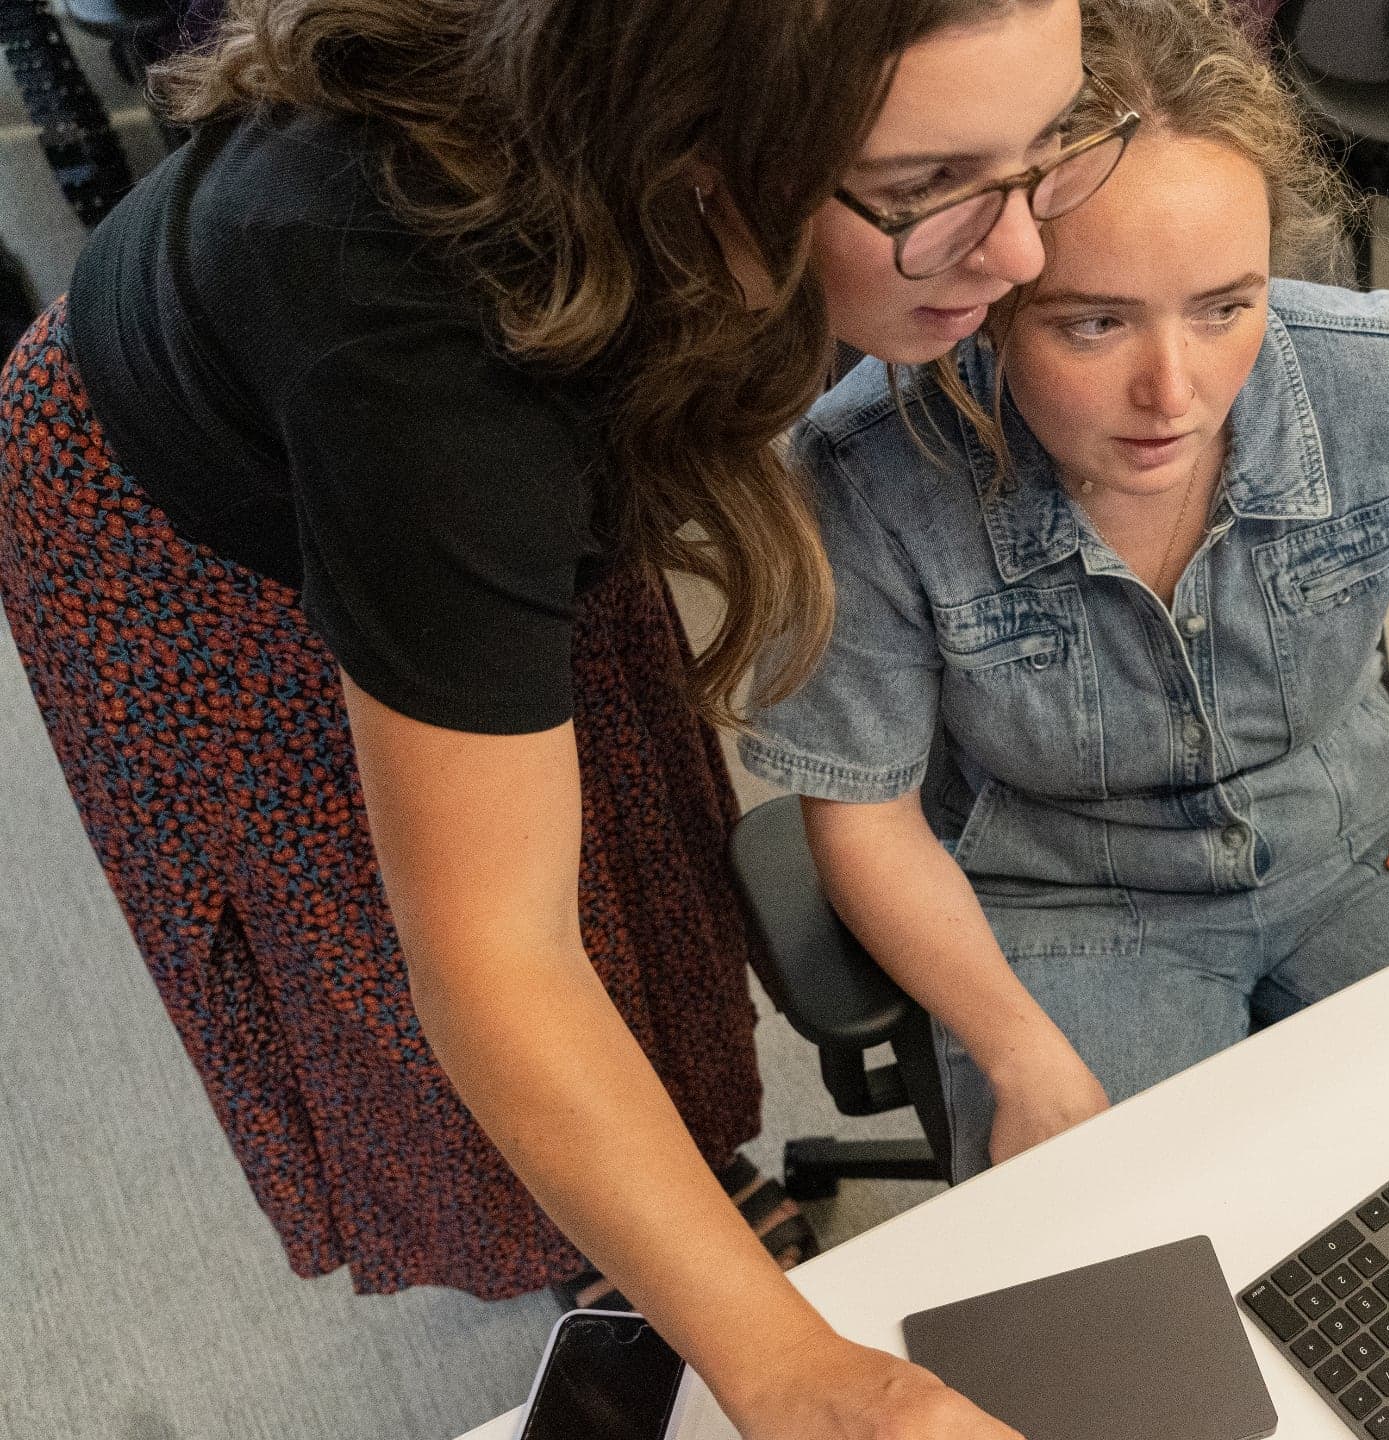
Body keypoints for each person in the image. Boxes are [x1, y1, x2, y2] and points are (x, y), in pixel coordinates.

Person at [0, 0, 1110, 1429]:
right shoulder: (429, 372)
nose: (1020, 251)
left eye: (1047, 147)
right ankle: (581, 1249)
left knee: (622, 841)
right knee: (413, 922)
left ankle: (662, 1182)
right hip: (203, 539)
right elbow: (490, 964)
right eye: (924, 190)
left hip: (512, 362)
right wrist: (796, 1374)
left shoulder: (627, 165)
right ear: (684, 155)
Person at [743, 0, 1389, 1181]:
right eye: (1093, 325)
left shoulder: (1367, 373)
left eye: (1226, 307)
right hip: (1069, 905)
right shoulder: (869, 476)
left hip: (1354, 841)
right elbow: (865, 815)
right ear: (993, 300)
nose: (1174, 392)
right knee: (1115, 1255)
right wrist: (1017, 1051)